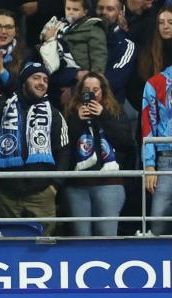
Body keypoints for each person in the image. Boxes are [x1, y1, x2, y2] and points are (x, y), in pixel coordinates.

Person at [0, 62, 70, 236]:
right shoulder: (1, 110)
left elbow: (65, 152)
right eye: (35, 78)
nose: (41, 83)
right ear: (23, 82)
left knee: (44, 246)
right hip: (6, 193)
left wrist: (54, 186)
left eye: (45, 79)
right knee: (8, 245)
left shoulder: (54, 114)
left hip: (42, 193)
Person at [64, 71, 134, 236]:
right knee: (81, 237)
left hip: (109, 183)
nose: (91, 93)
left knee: (107, 236)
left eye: (95, 89)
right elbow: (64, 147)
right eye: (86, 89)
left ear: (103, 91)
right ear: (80, 92)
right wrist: (76, 122)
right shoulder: (70, 113)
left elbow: (126, 143)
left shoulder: (116, 111)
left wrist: (104, 115)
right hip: (77, 186)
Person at [142, 63, 172, 235]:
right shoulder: (155, 83)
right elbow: (148, 127)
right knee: (158, 222)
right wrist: (149, 165)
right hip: (166, 161)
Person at [0, 9, 33, 101]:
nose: (3, 31)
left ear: (16, 31)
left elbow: (24, 89)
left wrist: (2, 71)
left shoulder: (26, 55)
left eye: (9, 27)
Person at [96, 0, 137, 104]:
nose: (103, 12)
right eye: (100, 8)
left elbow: (114, 81)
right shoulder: (83, 35)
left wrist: (77, 85)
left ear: (120, 13)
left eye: (110, 9)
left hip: (110, 108)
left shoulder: (126, 45)